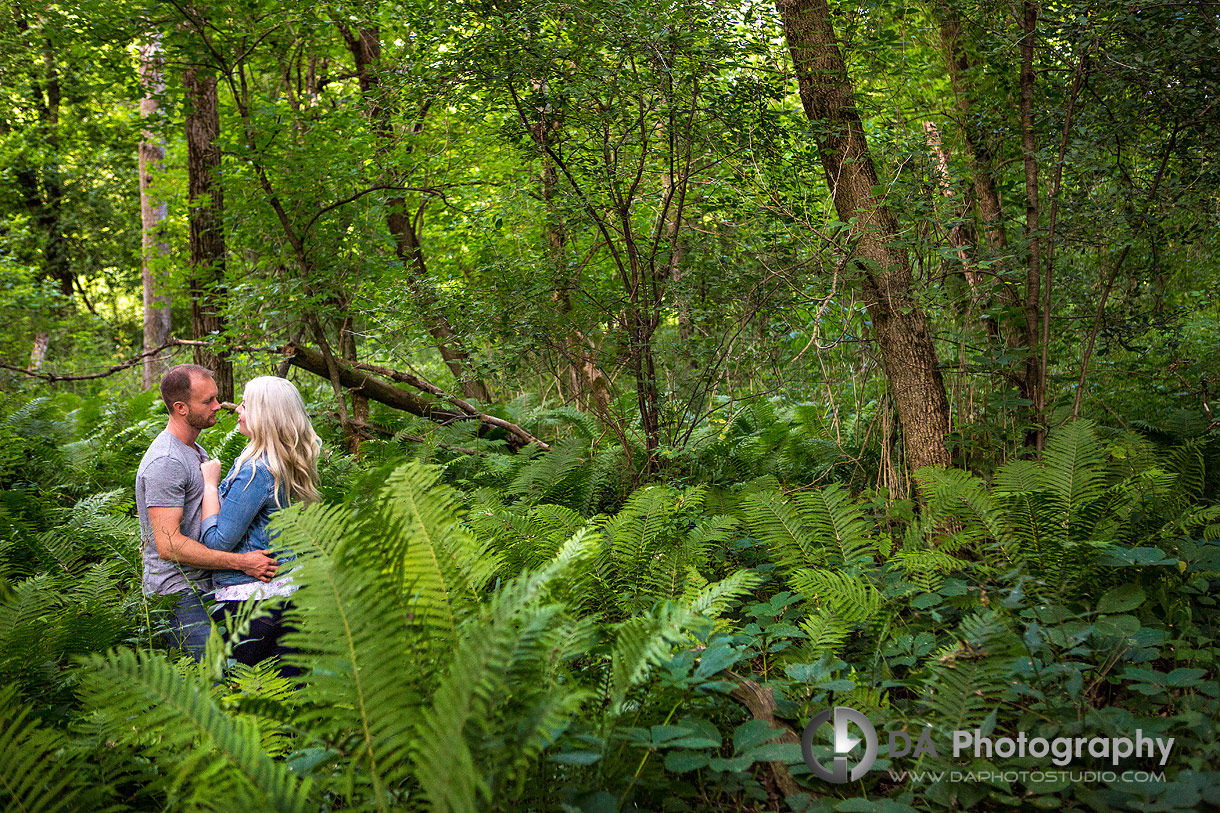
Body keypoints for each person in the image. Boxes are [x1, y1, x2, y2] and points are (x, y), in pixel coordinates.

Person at [136, 364, 279, 661]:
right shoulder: (166, 461)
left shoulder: (194, 450)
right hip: (177, 594)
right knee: (215, 682)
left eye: (215, 397)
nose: (218, 406)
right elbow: (168, 544)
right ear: (181, 408)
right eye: (207, 401)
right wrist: (242, 562)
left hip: (206, 586)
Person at [199, 376, 321, 675]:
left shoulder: (256, 471)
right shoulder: (288, 462)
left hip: (250, 604)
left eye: (245, 404)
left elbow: (217, 542)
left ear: (264, 415)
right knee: (289, 698)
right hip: (289, 595)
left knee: (249, 701)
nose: (238, 409)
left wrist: (210, 486)